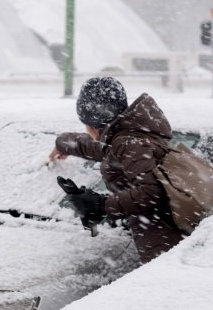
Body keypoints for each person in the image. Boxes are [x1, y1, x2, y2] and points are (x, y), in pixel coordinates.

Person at [49, 76, 186, 263]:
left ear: (90, 123)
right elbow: (101, 150)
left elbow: (152, 193)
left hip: (161, 238)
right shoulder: (125, 138)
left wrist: (102, 204)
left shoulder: (129, 143)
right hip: (158, 234)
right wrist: (64, 143)